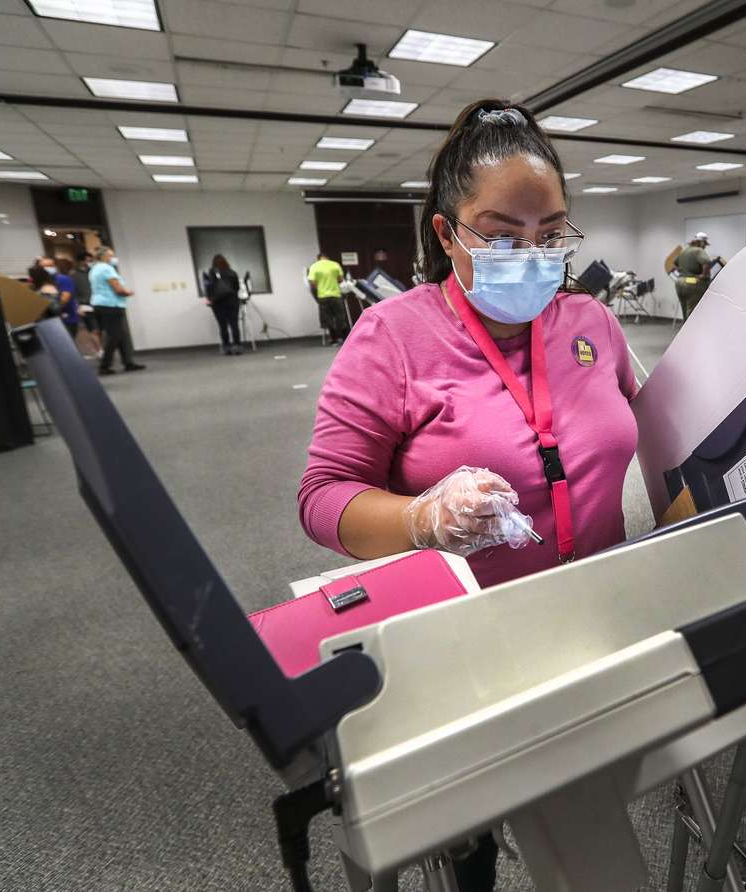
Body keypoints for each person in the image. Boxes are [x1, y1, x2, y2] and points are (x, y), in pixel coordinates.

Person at [298, 98, 637, 892]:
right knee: (471, 829)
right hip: (467, 645)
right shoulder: (393, 337)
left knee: (591, 817)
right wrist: (421, 517)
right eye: (501, 233)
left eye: (551, 233)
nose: (532, 253)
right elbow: (322, 496)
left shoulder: (592, 323)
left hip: (599, 618)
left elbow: (641, 428)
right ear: (448, 233)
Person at [89, 245, 145, 376]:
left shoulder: (94, 269)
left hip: (100, 304)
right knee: (114, 336)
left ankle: (128, 362)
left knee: (122, 334)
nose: (113, 258)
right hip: (111, 305)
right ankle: (104, 365)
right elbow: (118, 289)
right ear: (104, 256)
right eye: (111, 255)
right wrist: (128, 292)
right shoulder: (107, 269)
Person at [204, 254, 242, 355]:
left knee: (223, 326)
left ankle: (227, 347)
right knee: (234, 324)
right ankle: (237, 347)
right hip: (232, 301)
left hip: (218, 303)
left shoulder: (212, 273)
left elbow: (209, 288)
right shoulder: (232, 273)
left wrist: (210, 299)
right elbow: (237, 288)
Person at [307, 251, 348, 344]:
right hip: (336, 294)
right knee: (340, 316)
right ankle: (345, 338)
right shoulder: (335, 265)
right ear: (327, 257)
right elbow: (341, 279)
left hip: (323, 296)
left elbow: (312, 282)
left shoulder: (314, 266)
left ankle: (334, 339)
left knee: (328, 318)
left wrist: (320, 287)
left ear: (318, 258)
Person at [673, 231, 713, 321]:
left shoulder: (684, 250)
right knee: (692, 310)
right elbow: (707, 262)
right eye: (705, 244)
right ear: (701, 242)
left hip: (680, 282)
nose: (705, 246)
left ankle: (684, 330)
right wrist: (703, 275)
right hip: (692, 284)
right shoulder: (699, 250)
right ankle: (692, 332)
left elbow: (674, 263)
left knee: (684, 309)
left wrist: (680, 270)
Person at [72, 250, 103, 356]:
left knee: (101, 329)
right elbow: (73, 293)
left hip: (99, 303)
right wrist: (77, 307)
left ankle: (103, 349)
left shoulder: (94, 272)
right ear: (80, 261)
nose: (89, 262)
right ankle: (99, 351)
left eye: (90, 260)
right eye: (87, 260)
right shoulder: (74, 275)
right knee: (93, 330)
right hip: (85, 305)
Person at [52, 257, 80, 338]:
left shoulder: (56, 278)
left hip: (63, 317)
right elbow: (65, 298)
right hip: (68, 318)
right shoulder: (64, 279)